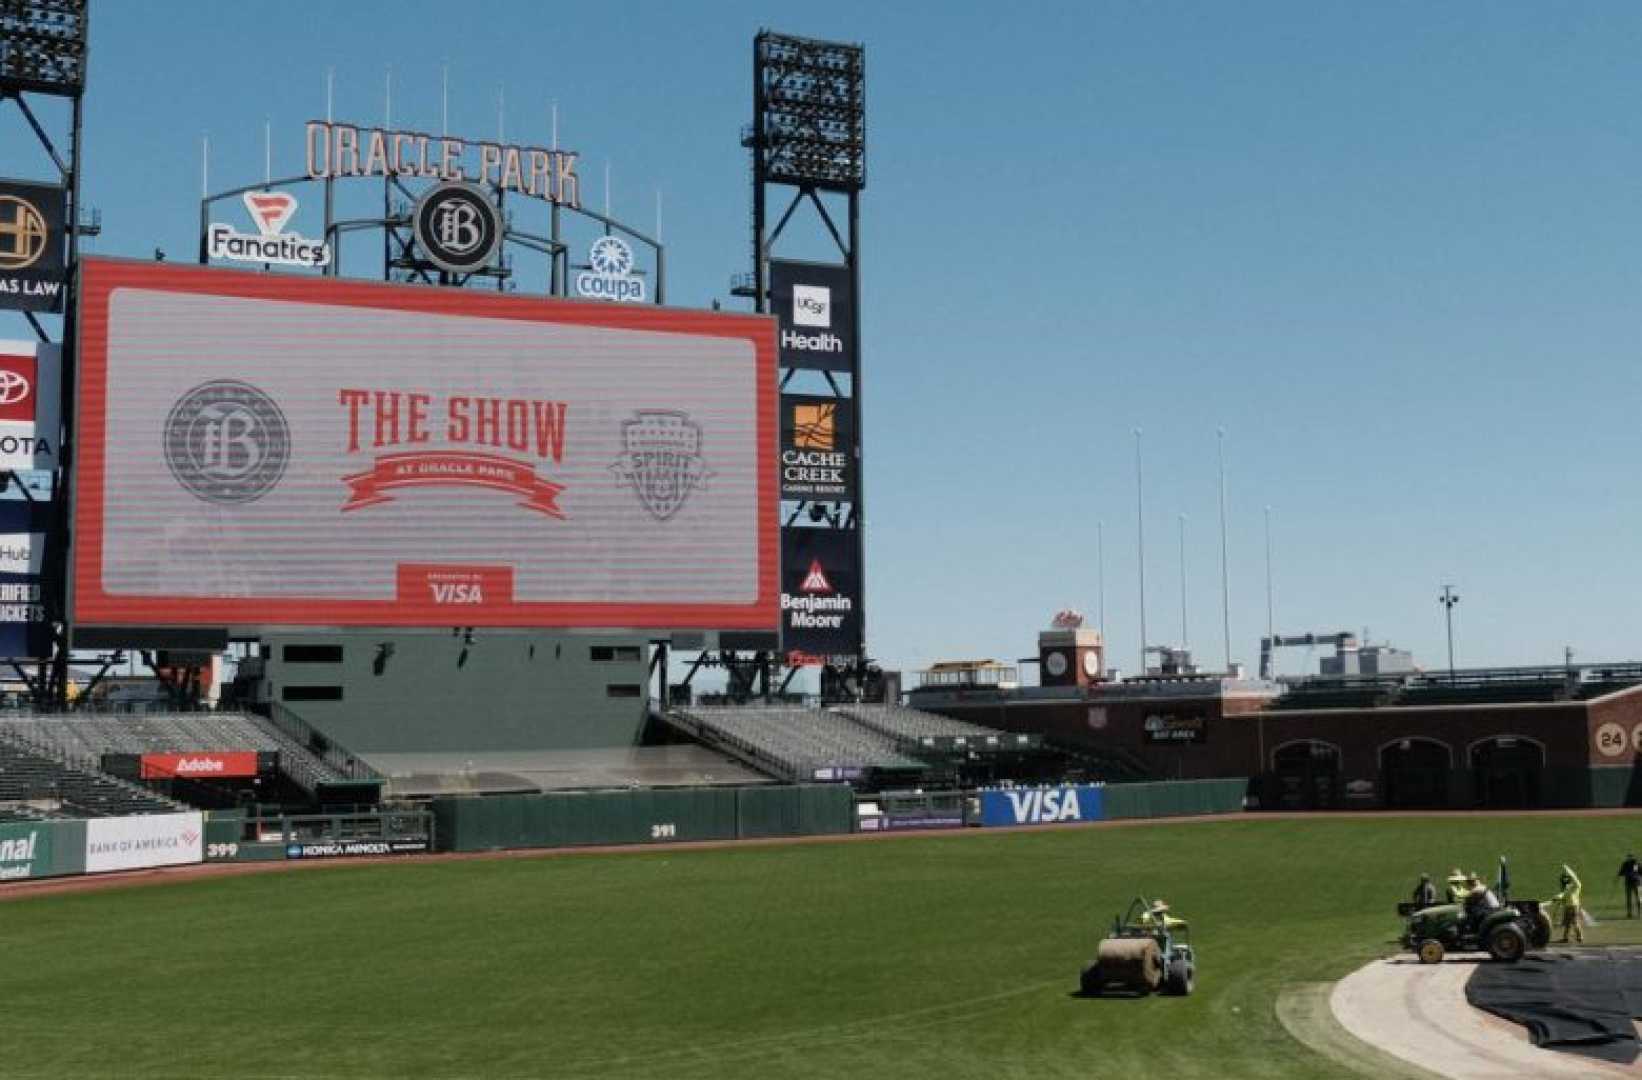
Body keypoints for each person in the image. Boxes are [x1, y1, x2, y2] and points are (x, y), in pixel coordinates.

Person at [1553, 865, 1584, 944]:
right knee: (1568, 923)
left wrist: (1569, 871)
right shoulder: (1570, 888)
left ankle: (1579, 937)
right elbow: (1562, 897)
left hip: (1573, 907)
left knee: (1574, 922)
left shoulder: (1572, 888)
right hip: (1570, 907)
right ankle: (1566, 938)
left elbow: (1562, 896)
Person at [1618, 853, 1642, 919]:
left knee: (1639, 898)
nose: (1629, 858)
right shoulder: (1625, 864)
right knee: (1629, 899)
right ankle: (1629, 913)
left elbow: (1637, 872)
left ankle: (1639, 913)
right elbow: (1620, 872)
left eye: (1630, 857)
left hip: (1637, 883)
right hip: (1628, 883)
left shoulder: (1636, 863)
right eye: (1628, 857)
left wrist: (1629, 873)